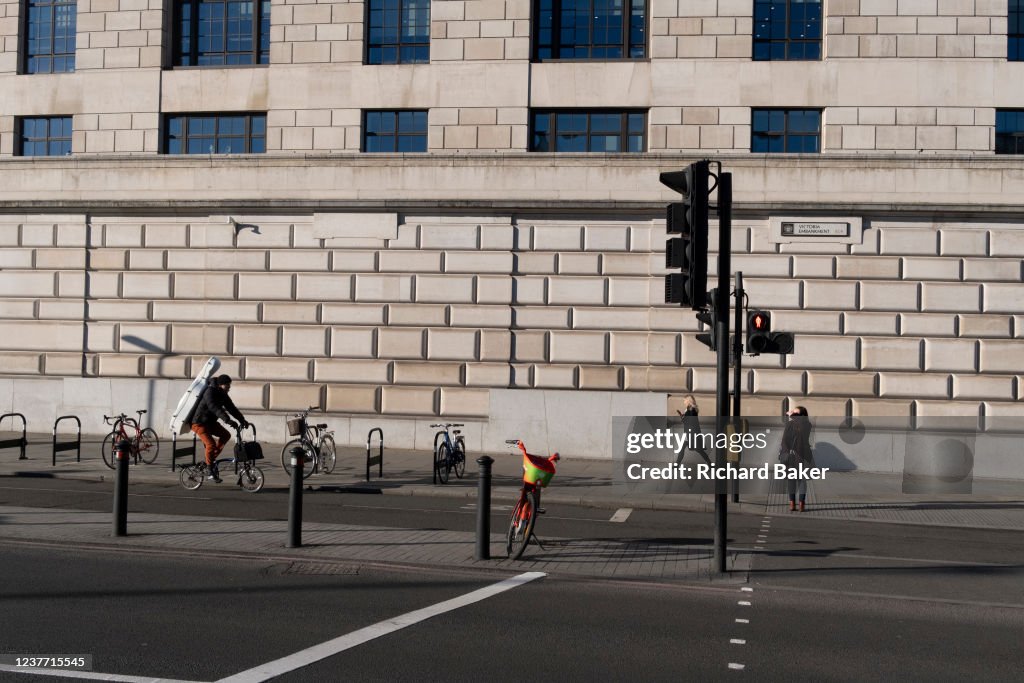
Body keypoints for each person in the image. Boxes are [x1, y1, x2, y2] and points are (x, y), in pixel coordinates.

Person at [190, 374, 248, 483]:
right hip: (199, 423)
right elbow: (214, 408)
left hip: (210, 423)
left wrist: (242, 420)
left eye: (229, 385)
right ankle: (210, 469)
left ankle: (210, 460)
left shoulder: (223, 394)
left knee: (226, 435)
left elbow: (232, 408)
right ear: (221, 385)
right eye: (227, 385)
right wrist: (227, 420)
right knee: (210, 444)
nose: (229, 388)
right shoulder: (209, 392)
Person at [780, 405, 813, 511]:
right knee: (791, 480)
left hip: (802, 456)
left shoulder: (807, 425)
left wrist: (792, 415)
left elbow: (801, 429)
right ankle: (792, 503)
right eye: (793, 413)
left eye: (796, 413)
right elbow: (784, 439)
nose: (793, 414)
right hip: (791, 456)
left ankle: (801, 503)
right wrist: (786, 451)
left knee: (801, 480)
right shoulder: (789, 424)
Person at [675, 394, 710, 466]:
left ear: (688, 401)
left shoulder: (691, 410)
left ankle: (710, 465)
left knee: (699, 450)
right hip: (691, 434)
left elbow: (689, 422)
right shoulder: (690, 409)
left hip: (692, 435)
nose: (684, 401)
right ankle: (677, 465)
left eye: (684, 400)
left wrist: (682, 417)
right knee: (697, 450)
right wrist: (682, 416)